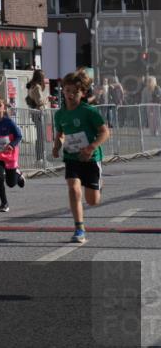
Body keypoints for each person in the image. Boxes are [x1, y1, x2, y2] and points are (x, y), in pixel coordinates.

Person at [53, 69, 110, 244]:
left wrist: (91, 147)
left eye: (75, 92)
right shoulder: (60, 114)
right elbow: (60, 133)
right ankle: (79, 228)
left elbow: (105, 132)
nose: (70, 95)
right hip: (72, 158)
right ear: (63, 91)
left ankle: (99, 184)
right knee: (74, 189)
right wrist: (56, 146)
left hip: (91, 159)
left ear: (82, 93)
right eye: (67, 91)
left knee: (92, 201)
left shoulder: (89, 111)